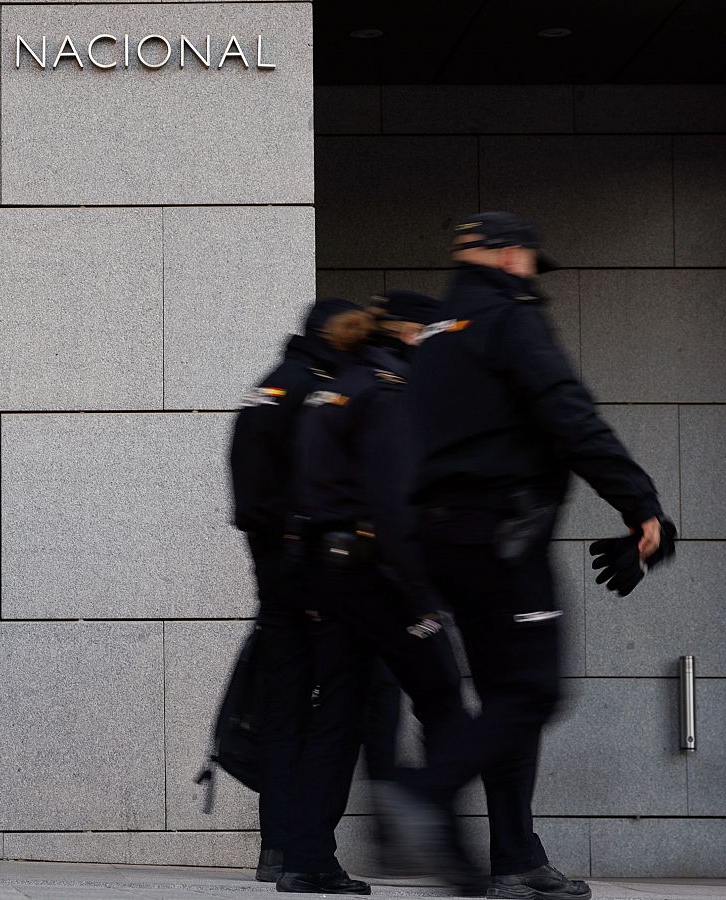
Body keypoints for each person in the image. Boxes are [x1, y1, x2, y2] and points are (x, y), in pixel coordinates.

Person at [391, 213, 676, 899]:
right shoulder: (509, 318)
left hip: (442, 537)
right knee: (534, 689)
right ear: (510, 255)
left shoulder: (433, 335)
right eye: (525, 257)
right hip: (503, 535)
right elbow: (569, 413)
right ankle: (426, 790)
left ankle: (516, 856)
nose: (528, 270)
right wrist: (640, 505)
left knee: (504, 698)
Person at [279, 291, 475, 895]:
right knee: (443, 698)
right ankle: (441, 831)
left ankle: (307, 858)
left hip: (331, 576)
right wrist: (421, 593)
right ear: (411, 334)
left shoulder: (330, 388)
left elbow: (302, 495)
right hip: (380, 579)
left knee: (336, 716)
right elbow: (392, 504)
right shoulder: (388, 391)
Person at [229, 297, 401, 884]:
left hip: (275, 574)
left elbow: (250, 498)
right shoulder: (319, 390)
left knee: (283, 710)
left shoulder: (270, 386)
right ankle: (305, 851)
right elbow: (311, 488)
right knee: (341, 704)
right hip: (309, 574)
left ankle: (278, 845)